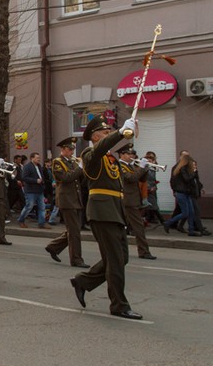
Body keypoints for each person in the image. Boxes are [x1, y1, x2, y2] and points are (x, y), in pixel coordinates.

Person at [70, 117, 142, 320]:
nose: (109, 133)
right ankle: (119, 304)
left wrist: (129, 132)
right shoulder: (90, 154)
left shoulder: (111, 158)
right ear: (95, 137)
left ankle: (83, 281)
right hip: (102, 212)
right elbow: (101, 148)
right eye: (105, 132)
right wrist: (119, 133)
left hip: (115, 211)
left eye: (110, 131)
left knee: (121, 258)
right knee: (116, 261)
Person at [45, 137, 88, 267]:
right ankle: (76, 259)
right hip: (67, 200)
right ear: (63, 149)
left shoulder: (74, 162)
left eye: (73, 149)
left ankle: (53, 247)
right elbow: (66, 178)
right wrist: (80, 168)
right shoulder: (57, 162)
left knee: (73, 229)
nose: (72, 152)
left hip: (76, 199)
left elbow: (81, 180)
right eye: (69, 149)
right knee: (74, 231)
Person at [118, 146, 156, 259]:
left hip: (134, 200)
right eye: (129, 154)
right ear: (121, 154)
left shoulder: (132, 165)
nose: (132, 156)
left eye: (133, 154)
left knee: (122, 227)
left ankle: (120, 250)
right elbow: (130, 178)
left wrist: (145, 169)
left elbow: (142, 180)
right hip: (127, 200)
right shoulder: (120, 166)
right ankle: (144, 252)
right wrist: (141, 167)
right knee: (138, 227)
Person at [163, 154, 199, 235]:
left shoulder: (181, 169)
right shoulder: (182, 169)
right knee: (185, 213)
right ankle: (168, 223)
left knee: (191, 212)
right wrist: (194, 173)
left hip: (186, 193)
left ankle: (191, 230)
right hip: (181, 193)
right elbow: (187, 179)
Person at [17, 152, 49, 229]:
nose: (39, 159)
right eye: (37, 158)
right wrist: (35, 180)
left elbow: (42, 176)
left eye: (39, 158)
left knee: (42, 207)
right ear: (32, 158)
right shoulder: (27, 167)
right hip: (30, 190)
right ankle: (21, 220)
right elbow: (24, 178)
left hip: (39, 190)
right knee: (29, 206)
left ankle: (41, 223)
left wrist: (43, 183)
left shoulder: (39, 166)